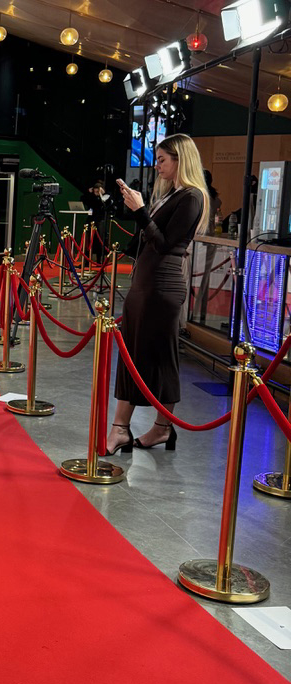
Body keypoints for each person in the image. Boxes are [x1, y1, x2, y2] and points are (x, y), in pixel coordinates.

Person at [105, 134, 209, 454]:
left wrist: (140, 211)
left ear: (180, 159)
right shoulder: (171, 194)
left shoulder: (191, 197)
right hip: (145, 283)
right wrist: (137, 209)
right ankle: (123, 428)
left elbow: (165, 244)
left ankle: (159, 428)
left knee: (161, 357)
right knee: (132, 354)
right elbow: (149, 238)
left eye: (162, 159)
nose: (157, 165)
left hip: (162, 287)